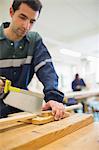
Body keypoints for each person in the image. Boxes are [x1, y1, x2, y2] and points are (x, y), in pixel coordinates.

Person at [0, 0, 65, 120]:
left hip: (22, 110)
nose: (26, 26)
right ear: (11, 12)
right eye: (22, 17)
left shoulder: (34, 41)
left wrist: (53, 98)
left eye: (32, 21)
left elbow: (47, 70)